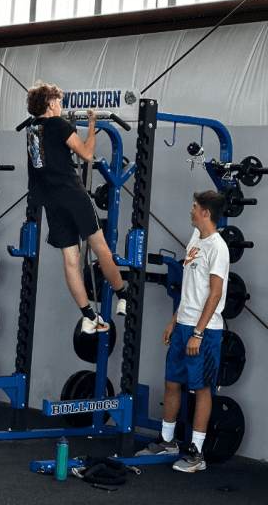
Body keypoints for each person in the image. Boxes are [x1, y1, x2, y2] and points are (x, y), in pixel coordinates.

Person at [24, 82, 129, 333]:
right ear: (50, 104)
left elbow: (41, 164)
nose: (60, 106)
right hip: (73, 196)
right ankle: (123, 296)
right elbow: (87, 154)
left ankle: (89, 316)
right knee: (100, 247)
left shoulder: (30, 130)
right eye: (58, 102)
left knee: (71, 260)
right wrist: (92, 126)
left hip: (51, 202)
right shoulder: (59, 124)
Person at [137, 191, 229, 474]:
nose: (191, 211)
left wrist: (198, 333)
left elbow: (215, 294)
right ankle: (168, 441)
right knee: (172, 383)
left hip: (205, 331)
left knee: (201, 389)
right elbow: (190, 290)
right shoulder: (195, 240)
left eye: (195, 207)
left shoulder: (218, 247)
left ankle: (197, 454)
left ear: (206, 213)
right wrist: (174, 322)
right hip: (184, 325)